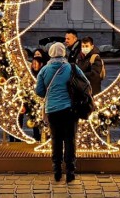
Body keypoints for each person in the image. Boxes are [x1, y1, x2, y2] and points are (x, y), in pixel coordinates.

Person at [35, 42, 88, 183]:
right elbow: (86, 84)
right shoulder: (72, 67)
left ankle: (57, 171)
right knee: (70, 140)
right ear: (64, 53)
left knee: (56, 140)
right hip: (70, 109)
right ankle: (70, 171)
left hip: (52, 110)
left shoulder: (44, 70)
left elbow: (39, 91)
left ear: (51, 53)